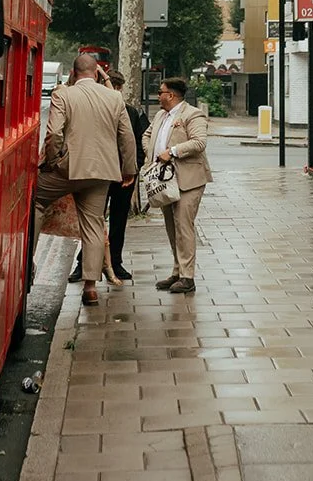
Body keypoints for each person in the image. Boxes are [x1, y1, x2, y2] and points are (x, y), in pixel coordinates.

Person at [38, 53, 136, 307]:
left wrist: (53, 162)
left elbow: (54, 134)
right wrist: (129, 170)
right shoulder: (114, 97)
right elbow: (126, 137)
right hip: (102, 172)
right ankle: (91, 287)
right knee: (94, 226)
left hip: (68, 170)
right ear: (96, 73)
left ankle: (26, 263)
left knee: (34, 201)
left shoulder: (63, 93)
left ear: (72, 73)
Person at [68, 71, 147, 284]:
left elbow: (140, 141)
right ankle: (83, 263)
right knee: (92, 221)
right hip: (100, 173)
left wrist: (134, 167)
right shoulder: (92, 112)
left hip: (123, 176)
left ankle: (116, 262)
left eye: (117, 88)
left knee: (118, 220)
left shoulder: (132, 113)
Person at [146, 77, 210, 295]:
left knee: (184, 226)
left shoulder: (192, 115)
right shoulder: (161, 115)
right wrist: (153, 154)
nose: (158, 95)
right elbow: (147, 135)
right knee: (171, 227)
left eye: (160, 91)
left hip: (188, 180)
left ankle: (187, 277)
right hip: (165, 180)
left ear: (171, 95)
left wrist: (171, 151)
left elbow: (199, 142)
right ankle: (177, 271)